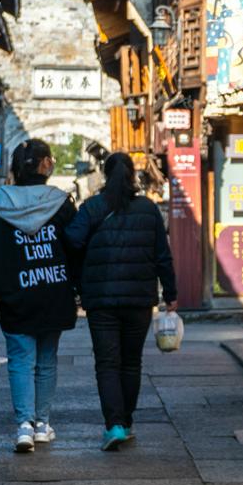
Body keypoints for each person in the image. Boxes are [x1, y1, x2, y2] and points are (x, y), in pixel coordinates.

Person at [0, 138, 79, 453]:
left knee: (19, 360)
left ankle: (24, 426)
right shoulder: (60, 203)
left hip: (14, 295)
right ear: (45, 165)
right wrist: (81, 288)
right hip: (54, 292)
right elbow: (76, 248)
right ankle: (42, 424)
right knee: (46, 361)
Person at [63, 151, 177, 451]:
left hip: (101, 300)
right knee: (130, 363)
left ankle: (113, 425)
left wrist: (82, 272)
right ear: (132, 176)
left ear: (105, 174)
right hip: (139, 300)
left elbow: (71, 240)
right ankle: (125, 423)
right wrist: (172, 295)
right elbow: (163, 256)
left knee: (107, 363)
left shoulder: (92, 208)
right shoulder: (148, 209)